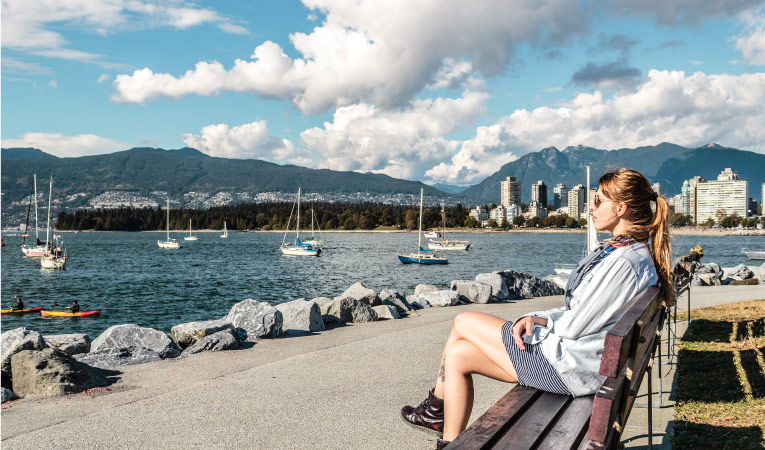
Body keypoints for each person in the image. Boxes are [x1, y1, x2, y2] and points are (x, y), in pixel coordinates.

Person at [400, 169, 672, 449]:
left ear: (621, 208)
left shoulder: (625, 262)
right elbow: (580, 312)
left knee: (463, 321)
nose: (591, 206)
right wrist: (540, 317)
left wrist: (543, 324)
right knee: (458, 355)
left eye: (598, 200)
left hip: (567, 368)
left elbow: (575, 325)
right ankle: (447, 441)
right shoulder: (629, 253)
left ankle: (435, 409)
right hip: (578, 365)